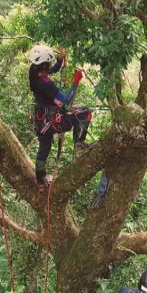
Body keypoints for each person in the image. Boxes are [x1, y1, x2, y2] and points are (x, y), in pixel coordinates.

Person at [28, 44, 94, 187]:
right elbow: (66, 100)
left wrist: (60, 60)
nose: (51, 64)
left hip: (41, 122)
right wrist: (76, 81)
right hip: (52, 121)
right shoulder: (46, 84)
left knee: (44, 147)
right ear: (45, 65)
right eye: (50, 61)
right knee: (85, 112)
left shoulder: (34, 72)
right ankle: (79, 144)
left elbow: (54, 69)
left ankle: (40, 181)